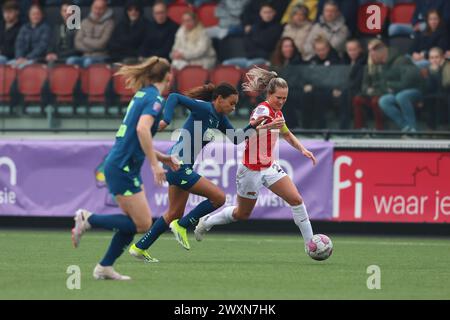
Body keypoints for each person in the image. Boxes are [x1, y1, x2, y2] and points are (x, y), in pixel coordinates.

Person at [128, 82, 281, 259]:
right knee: (219, 197)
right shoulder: (203, 108)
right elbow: (174, 97)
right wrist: (166, 120)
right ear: (218, 99)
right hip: (177, 164)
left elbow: (237, 138)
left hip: (181, 166)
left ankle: (139, 247)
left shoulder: (219, 117)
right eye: (231, 103)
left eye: (235, 104)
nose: (233, 108)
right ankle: (183, 225)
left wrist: (254, 126)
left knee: (174, 213)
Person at [71, 57, 179, 280]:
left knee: (132, 223)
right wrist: (154, 164)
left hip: (121, 165)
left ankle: (104, 267)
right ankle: (88, 219)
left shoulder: (143, 94)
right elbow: (142, 130)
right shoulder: (155, 99)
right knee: (143, 223)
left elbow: (137, 136)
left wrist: (162, 157)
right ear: (168, 76)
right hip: (122, 167)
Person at [193, 67, 317, 253]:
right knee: (242, 214)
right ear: (269, 94)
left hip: (269, 166)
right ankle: (207, 222)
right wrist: (269, 126)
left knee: (296, 199)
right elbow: (248, 135)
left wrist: (303, 149)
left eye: (285, 98)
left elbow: (287, 135)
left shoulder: (278, 114)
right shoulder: (261, 110)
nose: (282, 102)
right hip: (251, 169)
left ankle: (310, 245)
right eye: (278, 98)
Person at [223, 3, 282, 68]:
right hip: (248, 58)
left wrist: (254, 39)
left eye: (269, 12)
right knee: (226, 63)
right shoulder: (255, 26)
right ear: (260, 13)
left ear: (274, 13)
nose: (267, 15)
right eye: (265, 12)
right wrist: (257, 40)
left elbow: (267, 44)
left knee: (250, 66)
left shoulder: (277, 27)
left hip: (265, 59)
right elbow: (246, 43)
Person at [69, 0, 114, 68]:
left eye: (100, 8)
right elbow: (77, 43)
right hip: (85, 55)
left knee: (88, 62)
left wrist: (85, 39)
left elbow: (102, 44)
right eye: (95, 8)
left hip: (101, 56)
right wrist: (92, 47)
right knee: (71, 60)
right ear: (91, 8)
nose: (97, 11)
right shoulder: (85, 21)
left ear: (105, 9)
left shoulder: (110, 23)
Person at [11, 4, 50, 68]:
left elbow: (42, 47)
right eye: (33, 14)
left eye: (38, 14)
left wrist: (27, 58)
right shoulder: (24, 28)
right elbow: (19, 44)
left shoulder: (46, 28)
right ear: (29, 15)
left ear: (42, 15)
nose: (35, 16)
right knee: (8, 67)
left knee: (21, 67)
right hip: (22, 59)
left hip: (37, 59)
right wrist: (19, 57)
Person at [45, 1, 80, 66]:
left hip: (71, 57)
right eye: (64, 11)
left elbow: (77, 49)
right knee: (49, 62)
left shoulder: (78, 28)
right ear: (61, 13)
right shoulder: (57, 27)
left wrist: (58, 55)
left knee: (70, 60)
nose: (67, 13)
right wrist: (49, 53)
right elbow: (51, 44)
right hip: (57, 57)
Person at [0, 0, 21, 65]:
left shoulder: (21, 28)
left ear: (17, 12)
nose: (7, 15)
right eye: (5, 12)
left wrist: (2, 51)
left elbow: (18, 48)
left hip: (11, 58)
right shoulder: (1, 25)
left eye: (10, 12)